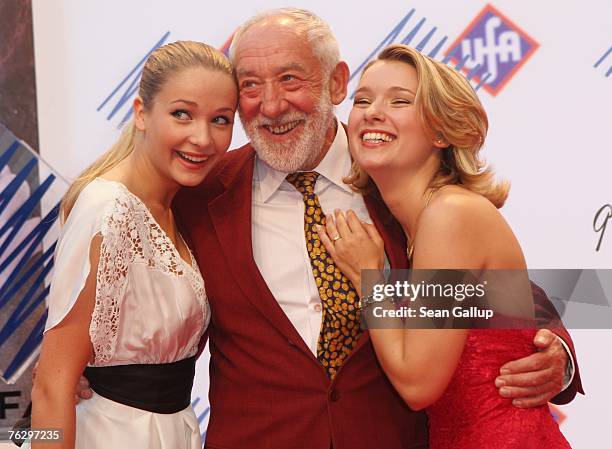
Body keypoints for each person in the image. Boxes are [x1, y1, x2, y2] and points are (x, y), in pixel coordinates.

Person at [79, 8, 581, 449]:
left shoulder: (398, 182)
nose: (270, 105)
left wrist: (555, 349)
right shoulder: (200, 195)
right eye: (250, 85)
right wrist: (83, 365)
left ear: (336, 83)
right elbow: (152, 303)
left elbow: (504, 291)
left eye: (290, 79)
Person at [317, 44, 573, 448]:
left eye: (400, 101)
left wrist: (371, 279)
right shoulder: (415, 221)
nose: (372, 111)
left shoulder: (450, 214)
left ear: (442, 130)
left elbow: (418, 383)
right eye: (362, 99)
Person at [29, 41, 237, 449]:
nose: (203, 137)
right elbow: (51, 389)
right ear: (142, 113)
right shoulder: (108, 209)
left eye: (221, 120)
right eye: (182, 113)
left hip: (173, 431)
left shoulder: (181, 204)